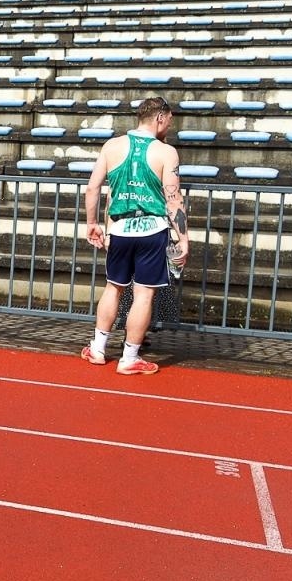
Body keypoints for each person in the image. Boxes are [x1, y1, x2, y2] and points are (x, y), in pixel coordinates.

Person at [81, 96, 188, 375]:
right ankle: (129, 357)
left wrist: (92, 223)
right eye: (169, 121)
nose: (169, 127)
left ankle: (97, 348)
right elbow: (173, 198)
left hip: (120, 229)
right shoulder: (166, 152)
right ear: (160, 118)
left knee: (113, 287)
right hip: (152, 230)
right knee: (143, 295)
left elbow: (92, 189)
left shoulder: (112, 146)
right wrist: (183, 238)